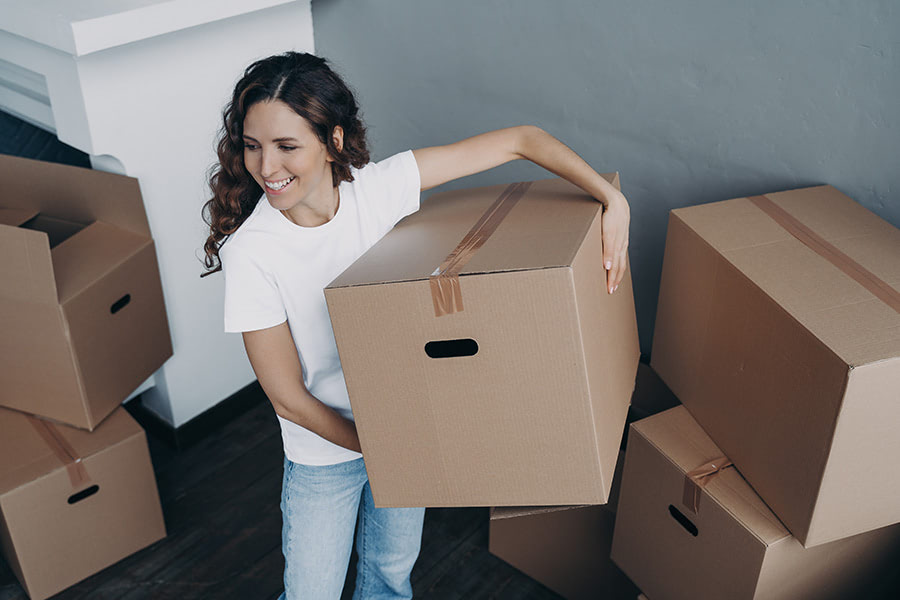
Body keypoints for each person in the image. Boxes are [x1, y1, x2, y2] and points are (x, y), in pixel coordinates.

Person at [201, 51, 630, 600]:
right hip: (325, 452)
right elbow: (288, 398)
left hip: (403, 421)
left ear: (332, 141)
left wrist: (611, 198)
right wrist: (381, 450)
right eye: (253, 146)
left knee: (389, 579)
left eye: (287, 146)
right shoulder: (253, 252)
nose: (267, 167)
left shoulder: (378, 189)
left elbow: (520, 139)